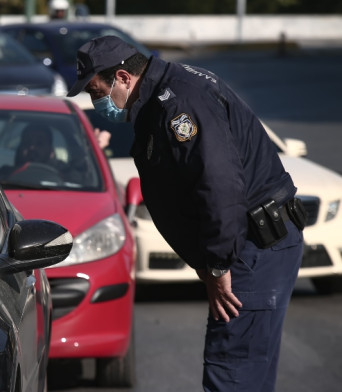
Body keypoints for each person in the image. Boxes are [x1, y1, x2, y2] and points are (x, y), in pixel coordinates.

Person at [66, 36, 305, 391]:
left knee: (234, 370)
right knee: (247, 368)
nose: (96, 101)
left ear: (123, 77)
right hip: (248, 243)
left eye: (96, 91)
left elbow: (219, 185)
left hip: (251, 246)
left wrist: (219, 263)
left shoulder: (180, 102)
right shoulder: (162, 94)